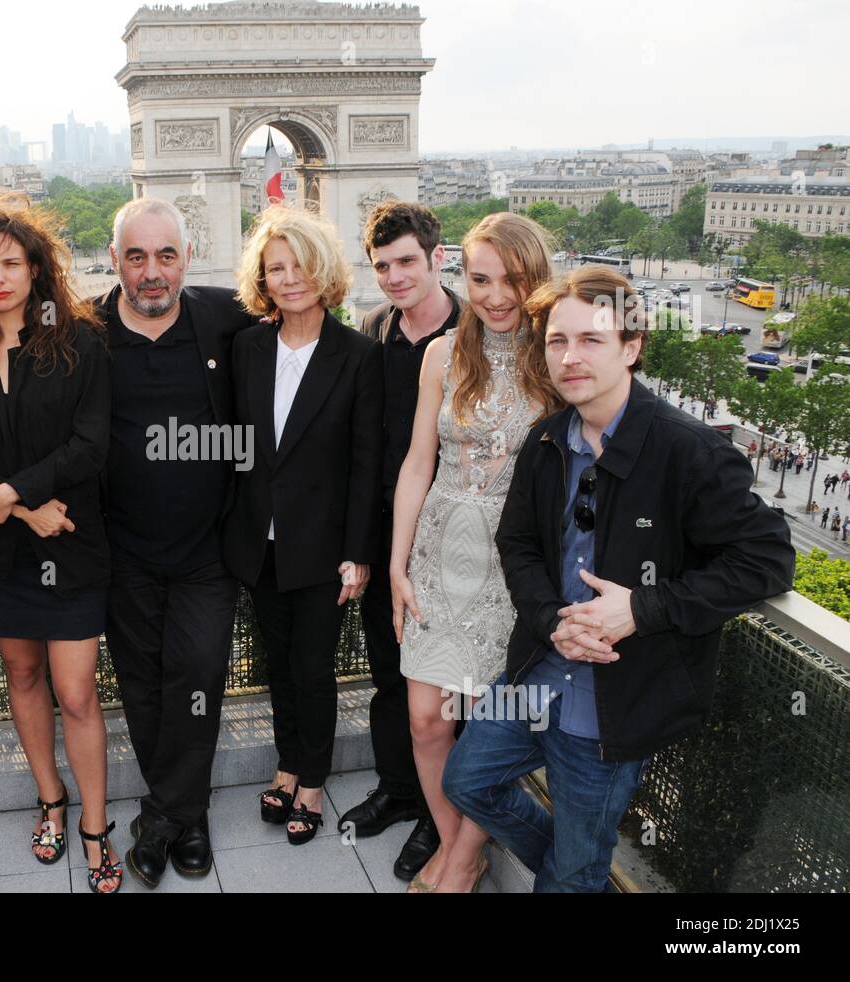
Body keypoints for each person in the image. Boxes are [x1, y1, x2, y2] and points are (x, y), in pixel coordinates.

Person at [442, 265, 794, 892]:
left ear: (632, 348)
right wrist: (552, 621)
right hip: (539, 670)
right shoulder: (546, 438)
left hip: (615, 703)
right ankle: (577, 873)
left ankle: (573, 875)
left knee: (572, 867)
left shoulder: (691, 450)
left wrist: (642, 609)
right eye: (557, 341)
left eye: (591, 340)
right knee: (466, 781)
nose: (570, 357)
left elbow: (766, 560)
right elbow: (516, 542)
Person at [0, 194, 122, 893]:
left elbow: (91, 445)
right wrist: (20, 512)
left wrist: (17, 495)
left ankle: (97, 824)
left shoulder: (79, 339)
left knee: (75, 692)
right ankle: (51, 798)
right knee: (22, 677)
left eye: (11, 261)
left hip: (70, 539)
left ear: (37, 268)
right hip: (2, 551)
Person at [389, 213, 562, 893]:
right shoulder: (440, 355)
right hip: (437, 550)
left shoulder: (557, 357)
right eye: (479, 278)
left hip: (514, 566)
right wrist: (398, 568)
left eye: (510, 281)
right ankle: (459, 841)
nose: (493, 296)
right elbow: (415, 464)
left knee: (489, 729)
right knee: (427, 719)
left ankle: (460, 860)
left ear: (534, 281)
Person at [96, 197, 254, 889]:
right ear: (115, 263)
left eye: (165, 255)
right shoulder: (82, 333)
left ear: (187, 259)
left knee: (198, 676)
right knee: (142, 688)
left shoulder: (228, 318)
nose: (152, 272)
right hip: (120, 553)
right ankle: (185, 819)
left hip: (206, 553)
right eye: (137, 256)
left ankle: (164, 818)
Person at [222, 205, 384, 846]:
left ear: (324, 271)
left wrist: (358, 552)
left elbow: (366, 463)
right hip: (257, 542)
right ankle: (287, 764)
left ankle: (312, 782)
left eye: (300, 266)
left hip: (322, 548)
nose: (289, 279)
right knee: (279, 665)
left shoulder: (358, 355)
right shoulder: (247, 346)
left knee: (314, 669)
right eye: (275, 268)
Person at [337, 201, 461, 881]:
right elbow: (364, 455)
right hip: (387, 539)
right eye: (381, 265)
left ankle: (444, 817)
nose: (392, 276)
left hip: (457, 543)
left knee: (448, 684)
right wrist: (360, 550)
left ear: (437, 259)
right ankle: (398, 788)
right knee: (390, 669)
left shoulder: (478, 332)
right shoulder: (371, 332)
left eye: (406, 261)